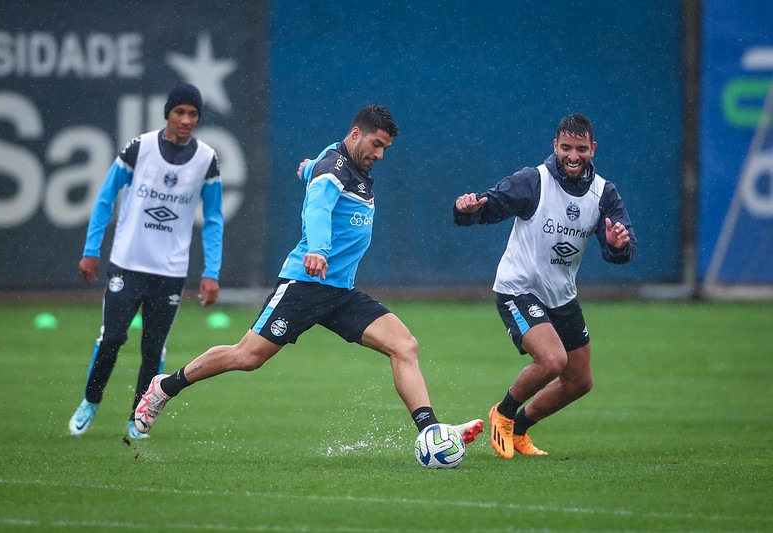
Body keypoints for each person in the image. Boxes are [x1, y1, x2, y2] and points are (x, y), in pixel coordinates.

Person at [133, 105, 484, 450]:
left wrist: (307, 170)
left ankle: (430, 432)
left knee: (404, 345)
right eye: (376, 144)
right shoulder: (335, 168)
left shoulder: (334, 161)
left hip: (340, 292)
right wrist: (317, 248)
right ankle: (165, 387)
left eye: (385, 148)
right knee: (247, 357)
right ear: (356, 133)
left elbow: (316, 173)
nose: (380, 154)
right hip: (305, 284)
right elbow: (318, 204)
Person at [453, 113, 637, 459]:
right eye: (566, 147)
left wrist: (617, 245)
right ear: (555, 146)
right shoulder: (533, 181)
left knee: (580, 381)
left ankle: (520, 429)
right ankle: (504, 413)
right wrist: (466, 209)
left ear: (592, 149)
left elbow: (622, 250)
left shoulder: (603, 193)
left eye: (581, 149)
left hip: (561, 295)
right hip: (518, 288)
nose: (572, 155)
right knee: (552, 360)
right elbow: (487, 208)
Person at [68, 82, 224, 439]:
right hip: (127, 263)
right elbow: (106, 197)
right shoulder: (140, 148)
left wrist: (211, 271)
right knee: (112, 339)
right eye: (180, 112)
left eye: (193, 114)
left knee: (152, 349)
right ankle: (91, 401)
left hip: (169, 271)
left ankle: (137, 418)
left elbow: (214, 218)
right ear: (167, 112)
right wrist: (92, 250)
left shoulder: (207, 159)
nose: (186, 120)